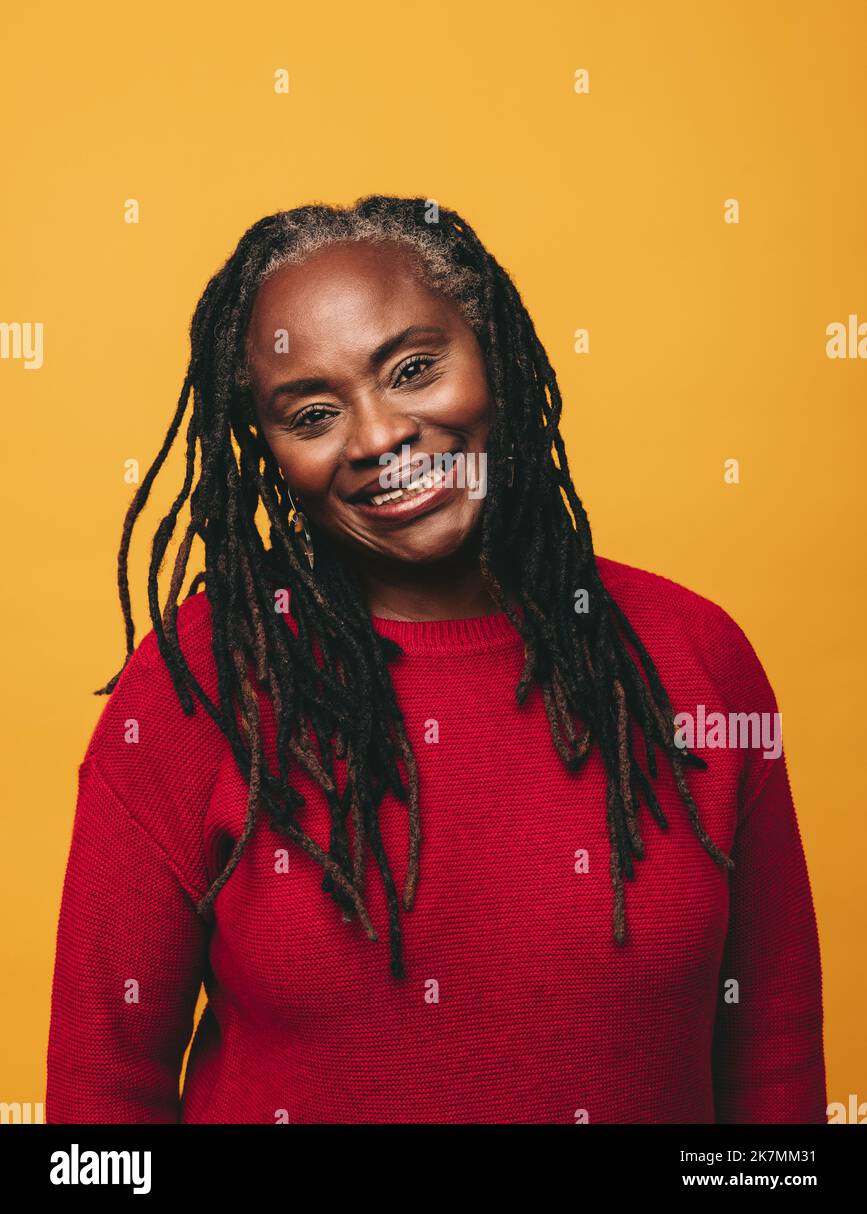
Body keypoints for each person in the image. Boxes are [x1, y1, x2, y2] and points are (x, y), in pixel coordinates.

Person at [45, 194, 826, 1123]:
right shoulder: (199, 689)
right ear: (266, 450)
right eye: (312, 413)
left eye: (413, 369)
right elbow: (102, 1095)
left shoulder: (691, 659)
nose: (379, 438)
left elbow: (771, 1065)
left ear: (492, 353)